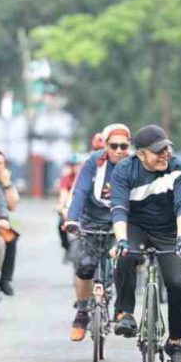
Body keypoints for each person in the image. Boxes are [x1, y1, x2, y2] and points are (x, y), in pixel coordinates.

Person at [110, 124, 181, 362]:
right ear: (141, 154)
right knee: (126, 255)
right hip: (135, 226)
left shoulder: (178, 168)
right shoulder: (125, 169)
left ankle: (176, 342)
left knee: (179, 284)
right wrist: (121, 240)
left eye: (166, 149)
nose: (164, 154)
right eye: (157, 152)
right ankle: (125, 312)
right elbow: (119, 208)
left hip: (169, 230)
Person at [62, 123, 131, 341]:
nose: (119, 150)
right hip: (91, 220)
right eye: (114, 146)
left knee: (126, 265)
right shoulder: (94, 162)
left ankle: (123, 310)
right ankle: (82, 313)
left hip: (121, 222)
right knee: (85, 266)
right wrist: (72, 219)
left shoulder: (134, 164)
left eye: (124, 146)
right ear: (105, 145)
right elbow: (81, 190)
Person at [0, 149, 19, 296]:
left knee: (11, 239)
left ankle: (4, 279)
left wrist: (6, 184)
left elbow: (12, 206)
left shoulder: (5, 183)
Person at [56, 153, 84, 263]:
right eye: (72, 165)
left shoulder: (87, 177)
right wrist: (61, 206)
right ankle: (67, 248)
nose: (75, 167)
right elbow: (63, 194)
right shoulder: (67, 178)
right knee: (61, 224)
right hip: (70, 207)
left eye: (77, 165)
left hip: (85, 209)